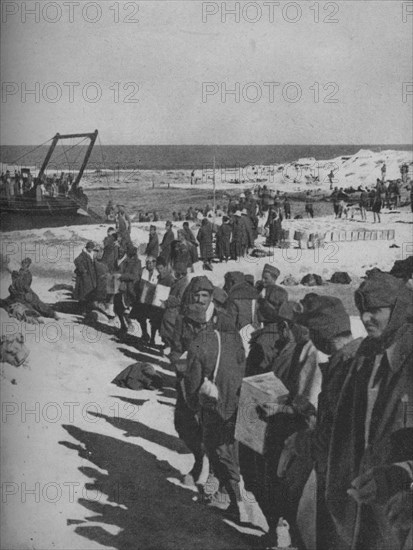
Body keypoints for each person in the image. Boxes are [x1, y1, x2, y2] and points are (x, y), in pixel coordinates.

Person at [326, 272, 413, 550]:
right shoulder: (365, 355)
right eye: (362, 311)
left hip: (401, 508)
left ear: (398, 309)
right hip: (363, 500)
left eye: (375, 311)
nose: (365, 319)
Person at [280, 295, 362, 549]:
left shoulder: (342, 370)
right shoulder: (360, 358)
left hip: (339, 482)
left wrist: (298, 442)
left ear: (320, 335)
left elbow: (331, 440)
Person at [183, 289, 248, 522]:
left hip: (214, 405)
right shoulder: (234, 338)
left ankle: (235, 500)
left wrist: (193, 405)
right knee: (231, 448)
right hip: (237, 401)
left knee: (216, 449)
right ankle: (229, 496)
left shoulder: (200, 342)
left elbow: (192, 382)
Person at [159, 263, 189, 348]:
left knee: (169, 327)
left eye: (175, 271)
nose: (173, 273)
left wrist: (167, 301)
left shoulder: (183, 283)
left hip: (175, 310)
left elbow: (179, 299)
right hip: (171, 308)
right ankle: (167, 344)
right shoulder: (179, 281)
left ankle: (170, 346)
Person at [113, 245, 142, 334]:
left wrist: (122, 276)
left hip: (131, 289)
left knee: (126, 309)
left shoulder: (137, 262)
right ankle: (123, 325)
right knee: (118, 307)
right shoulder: (126, 261)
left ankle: (131, 326)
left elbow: (134, 276)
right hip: (123, 287)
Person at [73, 241, 99, 312]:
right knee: (84, 294)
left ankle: (86, 309)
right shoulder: (83, 254)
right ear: (87, 248)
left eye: (92, 248)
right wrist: (83, 270)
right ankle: (83, 310)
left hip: (90, 277)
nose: (91, 249)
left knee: (88, 294)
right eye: (90, 248)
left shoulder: (91, 254)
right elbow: (76, 261)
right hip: (84, 278)